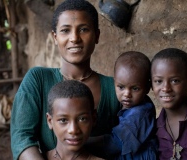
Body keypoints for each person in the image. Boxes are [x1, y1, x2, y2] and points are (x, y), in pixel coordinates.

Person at [11, 0, 120, 159]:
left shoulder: (115, 89)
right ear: (55, 37)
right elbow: (21, 137)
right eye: (65, 30)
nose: (74, 38)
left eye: (83, 29)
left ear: (96, 36)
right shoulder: (38, 80)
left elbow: (131, 136)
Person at [86, 51, 158, 160]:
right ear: (114, 83)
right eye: (121, 87)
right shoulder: (130, 105)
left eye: (135, 89)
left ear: (147, 87)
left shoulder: (140, 113)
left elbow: (115, 143)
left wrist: (84, 142)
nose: (127, 94)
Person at [46, 80, 104, 160]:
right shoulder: (35, 157)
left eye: (82, 119)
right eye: (63, 120)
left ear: (93, 118)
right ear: (50, 121)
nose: (73, 130)